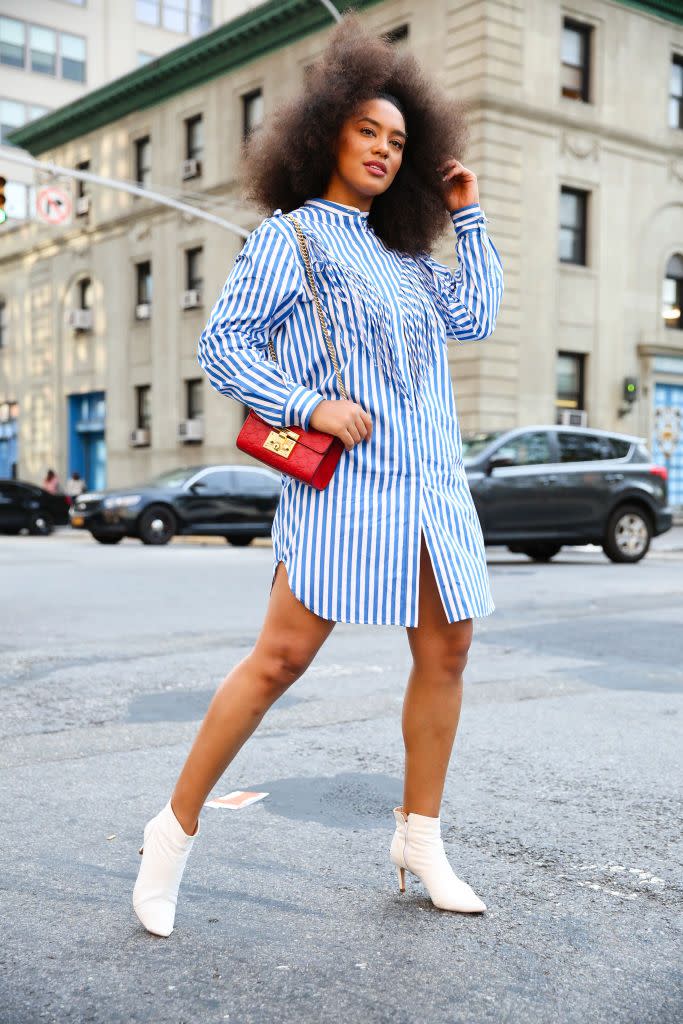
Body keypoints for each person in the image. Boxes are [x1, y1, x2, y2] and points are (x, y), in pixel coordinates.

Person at [133, 12, 504, 938]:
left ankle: (419, 839)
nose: (383, 150)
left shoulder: (407, 255)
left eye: (399, 141)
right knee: (280, 659)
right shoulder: (292, 239)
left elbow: (476, 319)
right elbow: (224, 347)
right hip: (347, 490)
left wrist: (468, 213)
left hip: (429, 487)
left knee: (447, 650)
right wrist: (309, 405)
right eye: (367, 131)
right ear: (326, 133)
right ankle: (170, 833)